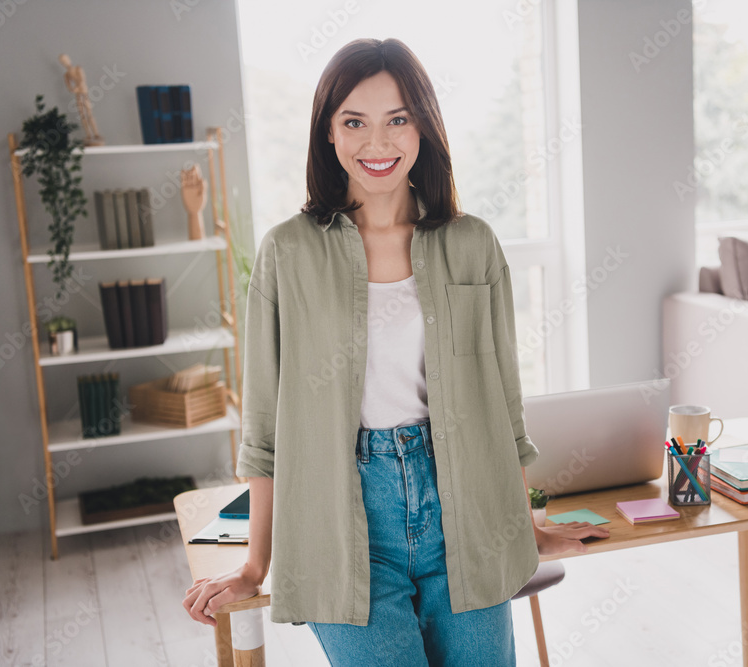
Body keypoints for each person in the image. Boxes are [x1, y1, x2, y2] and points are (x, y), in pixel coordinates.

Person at [183, 37, 609, 665]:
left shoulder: (472, 245)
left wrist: (528, 524)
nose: (376, 144)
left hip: (466, 518)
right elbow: (267, 429)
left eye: (397, 120)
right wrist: (254, 564)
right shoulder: (288, 253)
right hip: (341, 522)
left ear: (423, 128)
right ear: (329, 133)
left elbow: (504, 407)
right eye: (354, 121)